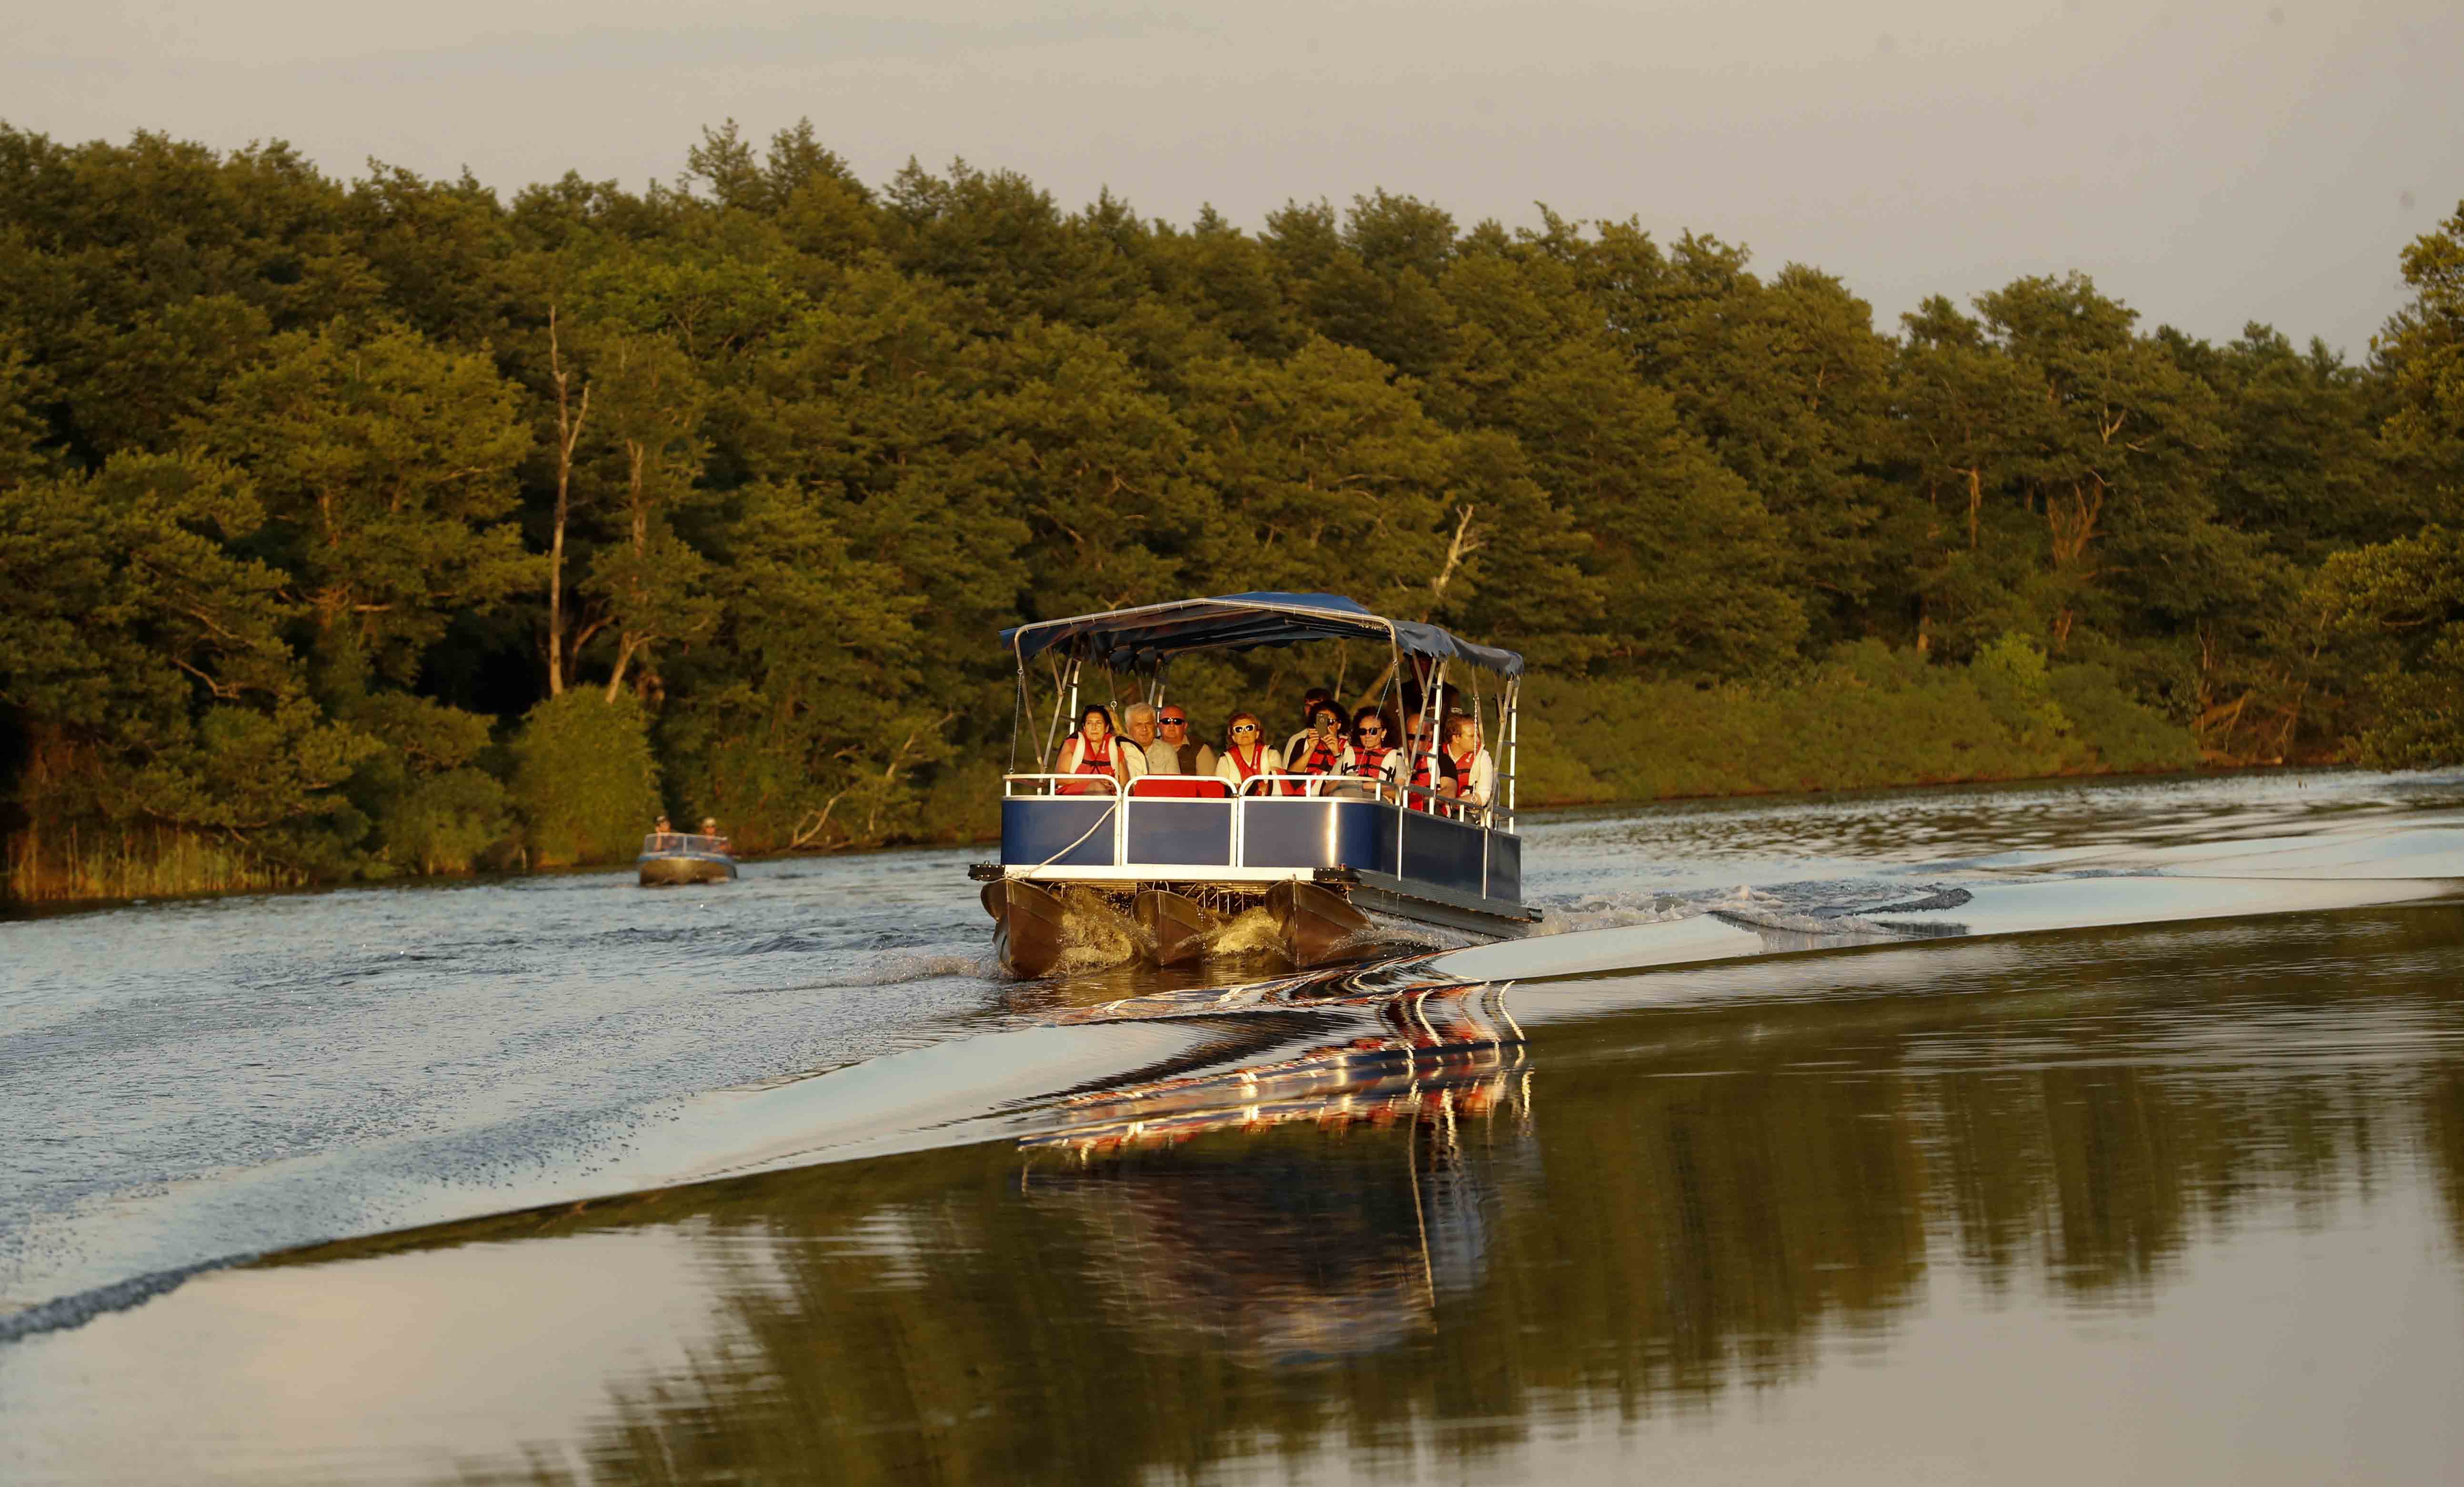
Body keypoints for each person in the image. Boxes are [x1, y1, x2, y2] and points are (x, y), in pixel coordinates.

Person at [1140, 703, 1223, 797]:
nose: (1172, 725)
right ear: (1159, 725)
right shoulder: (1147, 747)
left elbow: (1210, 788)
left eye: (1177, 721)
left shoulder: (1201, 749)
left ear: (1185, 726)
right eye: (1166, 721)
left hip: (1191, 805)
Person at [1054, 704, 1130, 794]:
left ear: (1107, 728)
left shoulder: (1115, 749)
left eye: (1099, 723)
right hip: (1074, 796)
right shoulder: (1072, 744)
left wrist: (1115, 786)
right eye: (1089, 723)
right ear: (1084, 727)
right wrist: (1094, 780)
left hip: (1109, 798)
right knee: (1097, 786)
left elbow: (1128, 789)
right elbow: (1059, 778)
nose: (1094, 728)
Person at [1338, 706, 1404, 800]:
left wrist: (1371, 787)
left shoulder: (1396, 757)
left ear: (1383, 733)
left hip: (1379, 804)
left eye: (1373, 731)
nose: (1367, 736)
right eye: (1363, 731)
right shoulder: (1348, 753)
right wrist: (1343, 782)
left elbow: (1401, 793)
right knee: (1348, 781)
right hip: (1346, 800)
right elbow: (1326, 790)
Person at [1287, 698, 1349, 793]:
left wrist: (1337, 754)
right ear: (1316, 725)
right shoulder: (1303, 744)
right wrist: (1311, 748)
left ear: (1339, 725)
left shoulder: (1348, 746)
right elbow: (1290, 777)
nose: (1327, 727)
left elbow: (1347, 779)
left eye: (1331, 722)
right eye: (1322, 722)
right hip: (1303, 796)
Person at [1215, 711, 1284, 796]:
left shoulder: (1271, 754)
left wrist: (1242, 789)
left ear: (1257, 734)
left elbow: (1276, 785)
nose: (1244, 732)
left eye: (1249, 728)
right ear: (1233, 737)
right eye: (1239, 730)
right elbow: (1222, 790)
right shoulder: (1225, 760)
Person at [1441, 712, 1496, 819]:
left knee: (1466, 820)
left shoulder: (1483, 757)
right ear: (1456, 738)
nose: (1478, 741)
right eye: (1472, 736)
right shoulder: (1436, 754)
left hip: (1467, 813)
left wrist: (1454, 803)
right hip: (1438, 810)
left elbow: (1483, 797)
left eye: (1478, 736)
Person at [1399, 713, 1458, 812]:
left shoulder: (1441, 759)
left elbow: (1450, 793)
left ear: (1430, 735)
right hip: (1404, 810)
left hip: (1432, 811)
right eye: (1411, 737)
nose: (1415, 742)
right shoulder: (1401, 758)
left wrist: (1420, 801)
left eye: (1421, 738)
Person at [1282, 686, 1337, 763]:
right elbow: (1287, 774)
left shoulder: (1344, 740)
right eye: (1308, 706)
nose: (1311, 710)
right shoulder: (1296, 740)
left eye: (1316, 706)